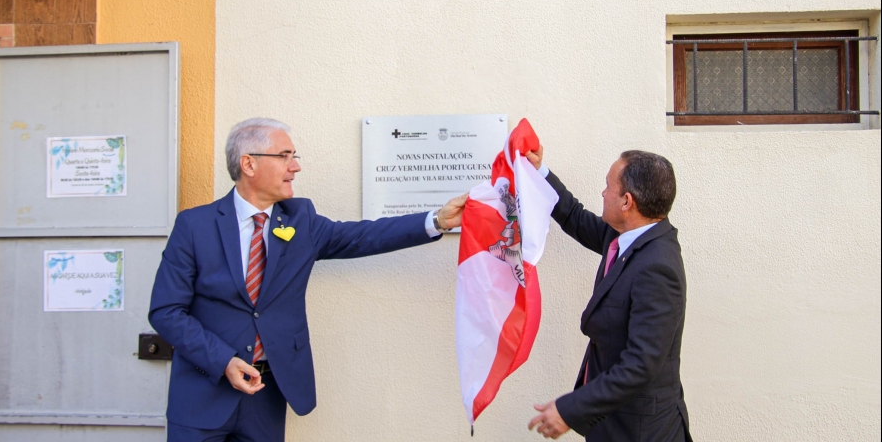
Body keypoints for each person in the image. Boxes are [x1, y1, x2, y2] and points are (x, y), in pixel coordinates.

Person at [149, 118, 465, 441]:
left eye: (294, 156)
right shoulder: (194, 226)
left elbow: (363, 236)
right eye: (284, 156)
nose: (295, 166)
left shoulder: (302, 220)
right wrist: (223, 361)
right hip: (202, 397)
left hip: (266, 397)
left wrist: (437, 221)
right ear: (249, 164)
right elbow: (166, 311)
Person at [526, 148, 691, 441]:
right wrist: (539, 171)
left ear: (627, 201)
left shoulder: (657, 267)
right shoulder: (623, 236)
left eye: (608, 186)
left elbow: (641, 364)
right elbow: (574, 217)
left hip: (640, 432)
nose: (603, 193)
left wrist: (570, 409)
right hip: (611, 423)